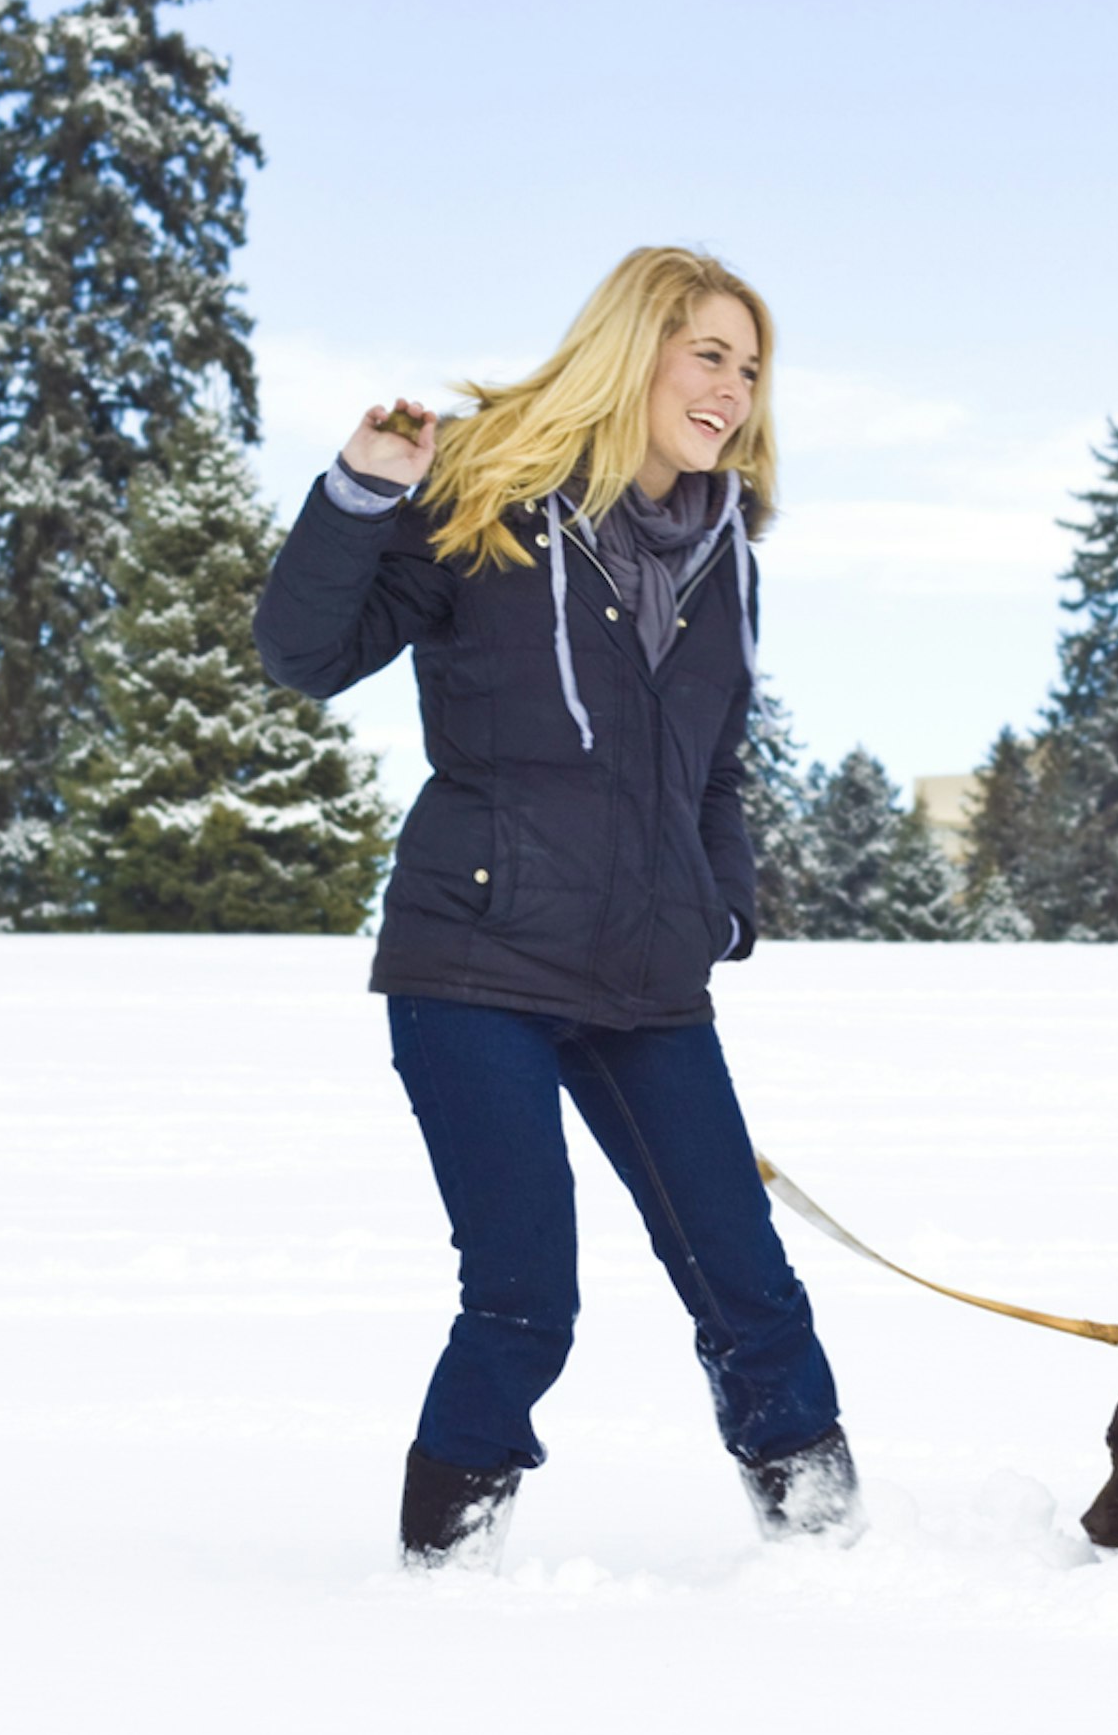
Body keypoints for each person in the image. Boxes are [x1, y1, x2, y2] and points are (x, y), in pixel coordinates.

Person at [253, 245, 855, 1564]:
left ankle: (825, 1554)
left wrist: (723, 901)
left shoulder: (723, 556)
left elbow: (715, 765)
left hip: (645, 976)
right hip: (474, 958)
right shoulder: (485, 497)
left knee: (747, 1283)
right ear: (634, 350)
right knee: (525, 1295)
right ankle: (448, 1573)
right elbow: (301, 656)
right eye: (709, 354)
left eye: (750, 368)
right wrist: (359, 493)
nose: (733, 390)